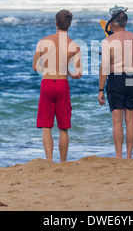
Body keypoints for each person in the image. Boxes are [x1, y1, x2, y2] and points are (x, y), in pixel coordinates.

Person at [33, 9, 82, 162]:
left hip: (47, 83)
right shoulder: (74, 46)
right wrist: (68, 73)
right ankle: (62, 162)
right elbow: (78, 73)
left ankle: (49, 161)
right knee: (63, 128)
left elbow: (35, 67)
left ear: (56, 23)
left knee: (46, 126)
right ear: (69, 25)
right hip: (62, 84)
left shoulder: (43, 42)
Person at [98, 6, 133, 159]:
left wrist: (101, 90)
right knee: (130, 121)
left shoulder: (107, 41)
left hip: (116, 77)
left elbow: (104, 67)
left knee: (117, 121)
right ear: (125, 22)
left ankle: (119, 157)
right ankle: (129, 156)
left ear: (112, 23)